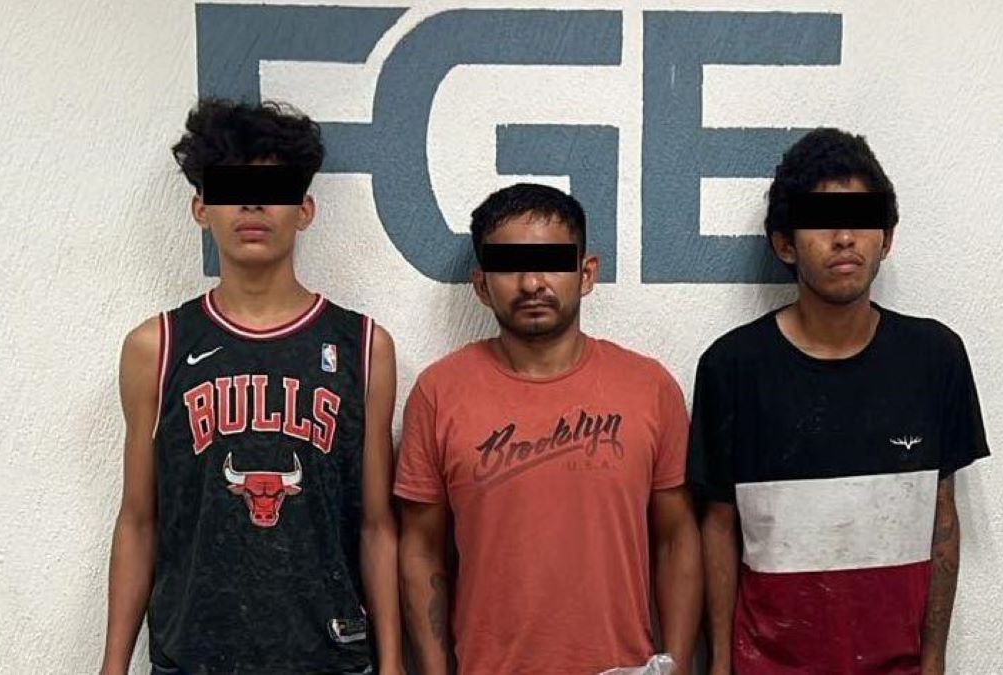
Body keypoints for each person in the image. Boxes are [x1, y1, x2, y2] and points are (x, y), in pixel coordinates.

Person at [100, 99, 401, 675]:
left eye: (273, 189)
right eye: (232, 188)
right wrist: (113, 665)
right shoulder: (156, 347)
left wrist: (392, 663)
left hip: (328, 657)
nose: (252, 203)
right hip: (193, 656)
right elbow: (138, 520)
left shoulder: (364, 347)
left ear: (305, 210)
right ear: (201, 209)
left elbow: (376, 525)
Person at [691, 128, 990, 674]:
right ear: (785, 244)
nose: (845, 238)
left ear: (887, 238)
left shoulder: (935, 357)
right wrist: (718, 666)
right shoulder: (731, 368)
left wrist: (934, 662)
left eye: (861, 220)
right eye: (822, 222)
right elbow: (718, 523)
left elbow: (941, 516)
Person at [396, 183, 702, 675]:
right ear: (481, 285)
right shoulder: (439, 393)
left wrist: (678, 666)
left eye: (552, 263)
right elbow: (421, 549)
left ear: (586, 274)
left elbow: (677, 538)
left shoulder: (650, 388)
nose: (532, 283)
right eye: (509, 266)